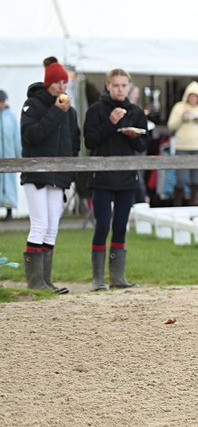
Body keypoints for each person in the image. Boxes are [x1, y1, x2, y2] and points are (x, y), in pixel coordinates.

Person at [84, 69, 148, 290]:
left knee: (120, 226)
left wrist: (134, 137)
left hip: (126, 177)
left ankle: (117, 278)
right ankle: (98, 279)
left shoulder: (136, 111)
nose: (120, 89)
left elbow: (143, 145)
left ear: (129, 86)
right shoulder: (96, 110)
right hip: (101, 177)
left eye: (124, 85)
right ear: (108, 86)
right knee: (102, 226)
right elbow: (90, 141)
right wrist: (111, 123)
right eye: (116, 85)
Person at [20, 57, 80, 293]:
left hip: (59, 175)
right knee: (39, 224)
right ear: (48, 83)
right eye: (57, 82)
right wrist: (55, 112)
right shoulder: (32, 105)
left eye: (65, 82)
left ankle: (45, 280)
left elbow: (74, 142)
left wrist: (70, 170)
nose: (62, 87)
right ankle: (35, 282)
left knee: (52, 226)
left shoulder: (70, 112)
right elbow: (31, 135)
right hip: (36, 173)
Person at [166, 81, 198, 206]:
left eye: (195, 96)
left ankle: (193, 206)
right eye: (190, 96)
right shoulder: (179, 107)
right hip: (182, 147)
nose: (193, 99)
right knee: (181, 179)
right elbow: (171, 126)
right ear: (186, 96)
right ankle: (177, 205)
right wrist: (182, 118)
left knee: (197, 179)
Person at [0, 90, 20, 220]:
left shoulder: (11, 118)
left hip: (9, 156)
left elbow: (16, 137)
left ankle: (9, 211)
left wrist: (18, 155)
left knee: (9, 184)